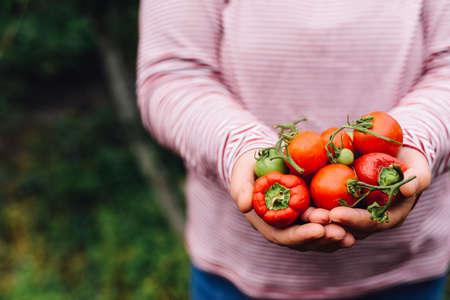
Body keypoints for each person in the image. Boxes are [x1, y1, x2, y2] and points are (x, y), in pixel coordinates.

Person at [136, 1, 450, 299]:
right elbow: (172, 75)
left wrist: (416, 142)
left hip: (404, 271)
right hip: (237, 277)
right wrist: (241, 147)